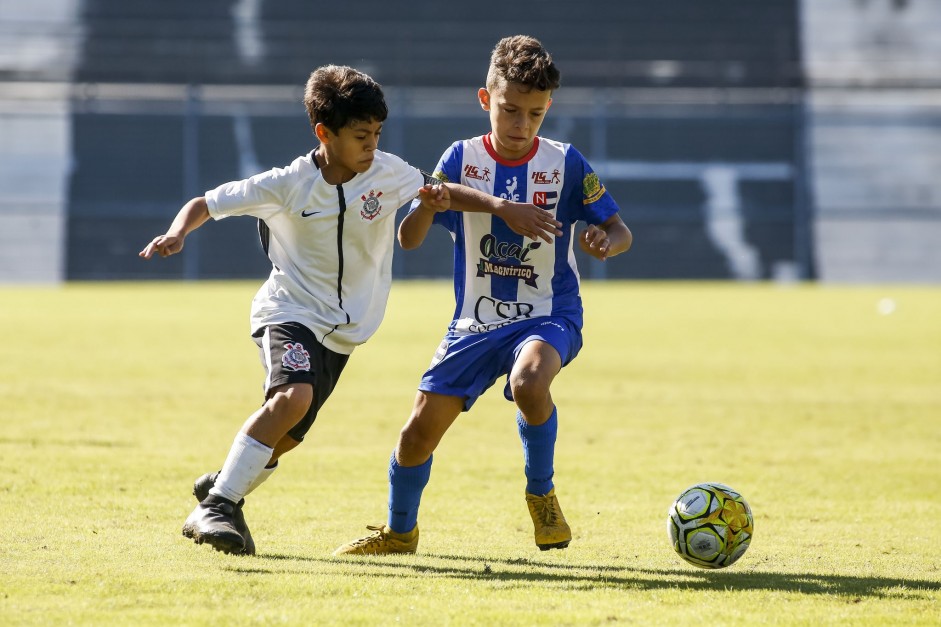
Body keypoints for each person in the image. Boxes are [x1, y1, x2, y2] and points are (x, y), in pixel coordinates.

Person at [139, 64, 562, 555]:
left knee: (289, 436)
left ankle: (221, 486)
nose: (372, 145)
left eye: (378, 133)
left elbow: (438, 191)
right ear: (325, 133)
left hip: (342, 335)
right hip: (289, 311)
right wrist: (176, 233)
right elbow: (206, 203)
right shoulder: (286, 184)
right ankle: (218, 506)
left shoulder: (387, 171)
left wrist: (499, 207)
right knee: (292, 399)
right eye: (361, 135)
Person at [334, 35, 632, 556]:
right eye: (510, 111)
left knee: (530, 381)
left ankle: (541, 494)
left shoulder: (566, 164)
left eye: (535, 115)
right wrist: (430, 204)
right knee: (415, 437)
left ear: (549, 110)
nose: (521, 127)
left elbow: (619, 227)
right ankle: (400, 532)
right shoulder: (461, 158)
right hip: (475, 321)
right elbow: (409, 237)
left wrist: (606, 241)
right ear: (484, 99)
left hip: (548, 312)